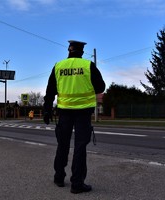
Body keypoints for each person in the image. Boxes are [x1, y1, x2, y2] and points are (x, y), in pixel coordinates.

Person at [43, 40, 105, 194]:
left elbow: (50, 90)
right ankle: (77, 183)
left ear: (68, 50)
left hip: (64, 112)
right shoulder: (88, 65)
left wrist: (46, 109)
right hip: (83, 112)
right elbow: (101, 87)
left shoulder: (58, 66)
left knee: (62, 144)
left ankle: (58, 177)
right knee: (80, 147)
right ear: (82, 52)